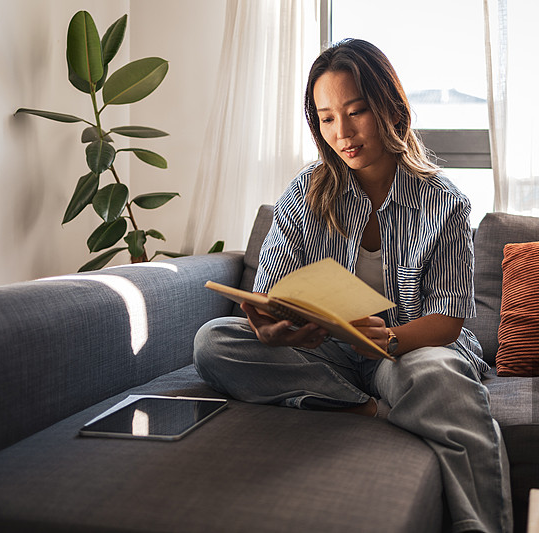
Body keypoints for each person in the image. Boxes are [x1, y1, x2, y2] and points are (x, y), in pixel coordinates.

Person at [193, 38, 512, 533]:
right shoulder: (306, 192)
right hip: (329, 353)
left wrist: (387, 340)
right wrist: (272, 330)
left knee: (440, 376)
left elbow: (448, 321)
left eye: (356, 111)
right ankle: (369, 409)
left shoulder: (445, 202)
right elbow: (271, 293)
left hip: (407, 349)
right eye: (327, 118)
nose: (342, 133)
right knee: (214, 341)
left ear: (390, 107)